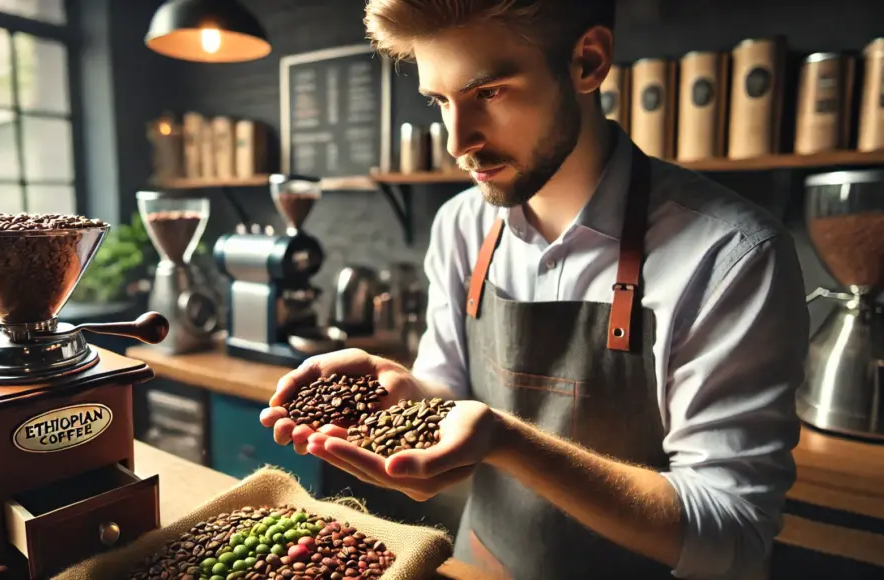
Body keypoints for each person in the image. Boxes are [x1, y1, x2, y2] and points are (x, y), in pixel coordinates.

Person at [260, 1, 809, 578]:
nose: (457, 141)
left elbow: (734, 536)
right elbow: (444, 396)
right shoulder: (462, 225)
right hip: (482, 565)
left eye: (489, 92)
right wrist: (405, 397)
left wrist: (506, 440)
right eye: (439, 101)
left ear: (587, 62)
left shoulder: (730, 255)